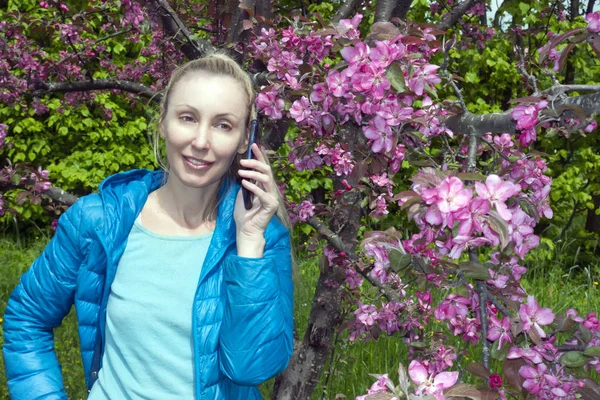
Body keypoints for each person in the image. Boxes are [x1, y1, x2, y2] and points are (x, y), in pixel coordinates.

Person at [2, 52, 294, 399]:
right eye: (187, 118)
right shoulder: (99, 221)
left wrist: (248, 243)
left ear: (246, 140)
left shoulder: (262, 238)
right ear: (163, 122)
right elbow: (27, 321)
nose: (201, 142)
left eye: (223, 125)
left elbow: (252, 368)